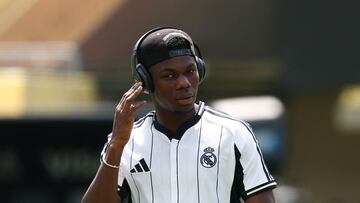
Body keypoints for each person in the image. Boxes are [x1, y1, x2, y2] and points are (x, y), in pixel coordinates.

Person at [82, 27, 277, 203]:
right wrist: (116, 145)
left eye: (190, 71)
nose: (184, 82)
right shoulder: (126, 142)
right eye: (169, 75)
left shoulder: (233, 133)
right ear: (146, 81)